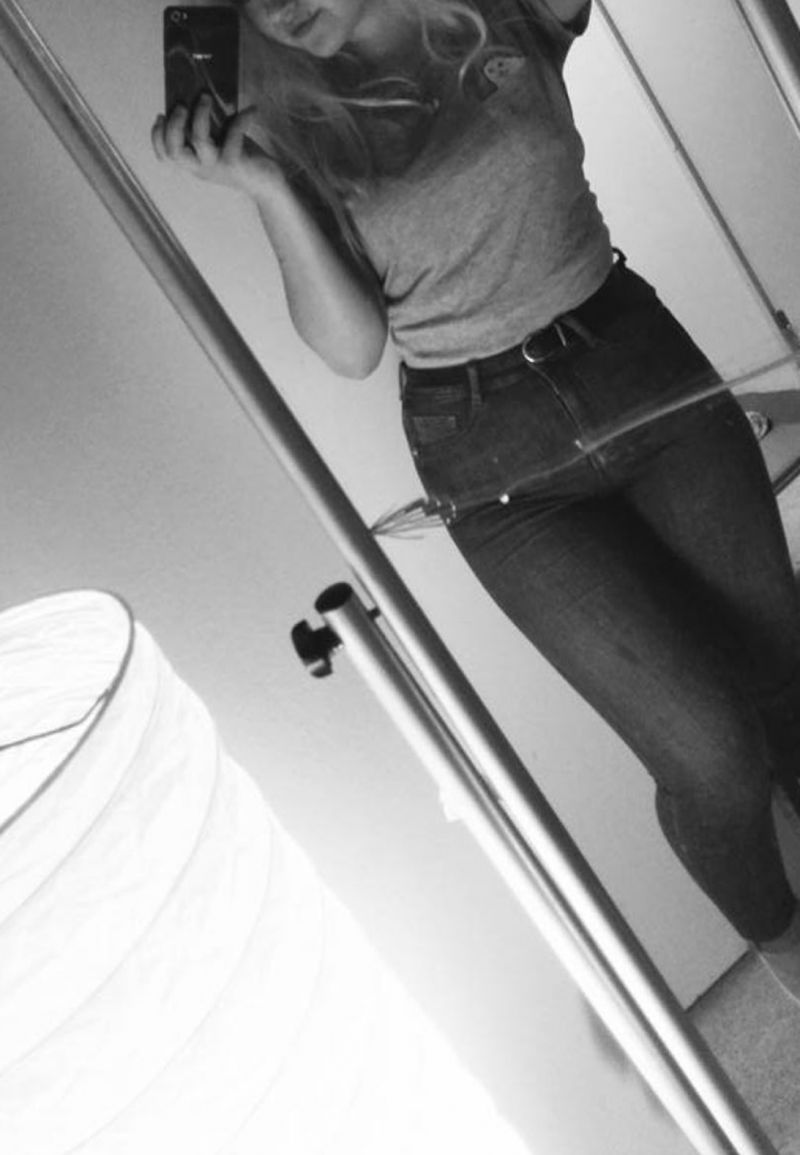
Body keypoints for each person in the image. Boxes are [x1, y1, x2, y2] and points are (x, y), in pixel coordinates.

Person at [153, 0, 800, 1001]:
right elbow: (350, 347)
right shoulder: (282, 119)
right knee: (710, 755)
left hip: (637, 365)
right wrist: (266, 188)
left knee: (780, 671)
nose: (279, 8)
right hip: (490, 453)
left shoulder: (500, 12)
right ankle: (785, 946)